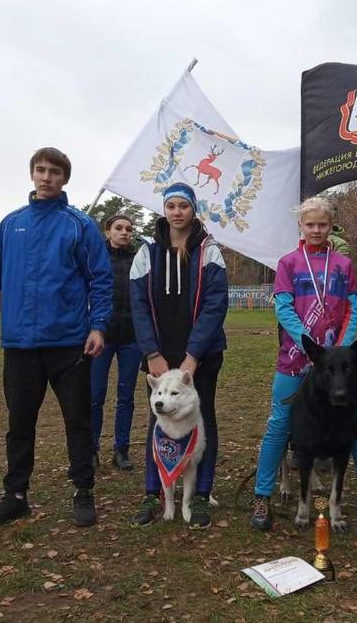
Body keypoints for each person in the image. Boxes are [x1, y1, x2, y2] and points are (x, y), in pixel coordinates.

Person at [0, 147, 112, 529]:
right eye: (40, 170)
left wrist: (98, 326)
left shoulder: (79, 226)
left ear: (65, 179)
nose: (46, 177)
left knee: (78, 422)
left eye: (54, 172)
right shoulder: (10, 225)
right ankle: (16, 495)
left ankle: (83, 491)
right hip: (20, 346)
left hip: (69, 344)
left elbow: (101, 280)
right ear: (31, 174)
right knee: (19, 424)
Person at [250, 196, 357, 532]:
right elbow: (283, 308)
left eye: (322, 224)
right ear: (301, 226)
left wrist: (339, 348)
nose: (315, 230)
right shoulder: (288, 264)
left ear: (331, 225)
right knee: (279, 423)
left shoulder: (344, 264)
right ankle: (262, 496)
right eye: (310, 224)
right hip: (296, 358)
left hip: (336, 361)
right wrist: (309, 345)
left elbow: (353, 308)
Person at [129, 182, 228, 529]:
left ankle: (200, 494)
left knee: (204, 421)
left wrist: (194, 355)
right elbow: (138, 306)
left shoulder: (208, 250)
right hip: (159, 355)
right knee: (158, 421)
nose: (176, 212)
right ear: (163, 210)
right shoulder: (146, 252)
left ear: (192, 209)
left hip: (200, 357)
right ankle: (153, 492)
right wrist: (151, 353)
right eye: (170, 205)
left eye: (183, 206)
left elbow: (216, 305)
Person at [90, 213, 141, 471]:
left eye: (129, 229)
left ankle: (121, 449)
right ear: (107, 231)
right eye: (119, 228)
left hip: (131, 338)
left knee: (126, 396)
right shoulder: (96, 259)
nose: (124, 232)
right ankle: (91, 449)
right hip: (102, 337)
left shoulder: (139, 260)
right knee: (95, 395)